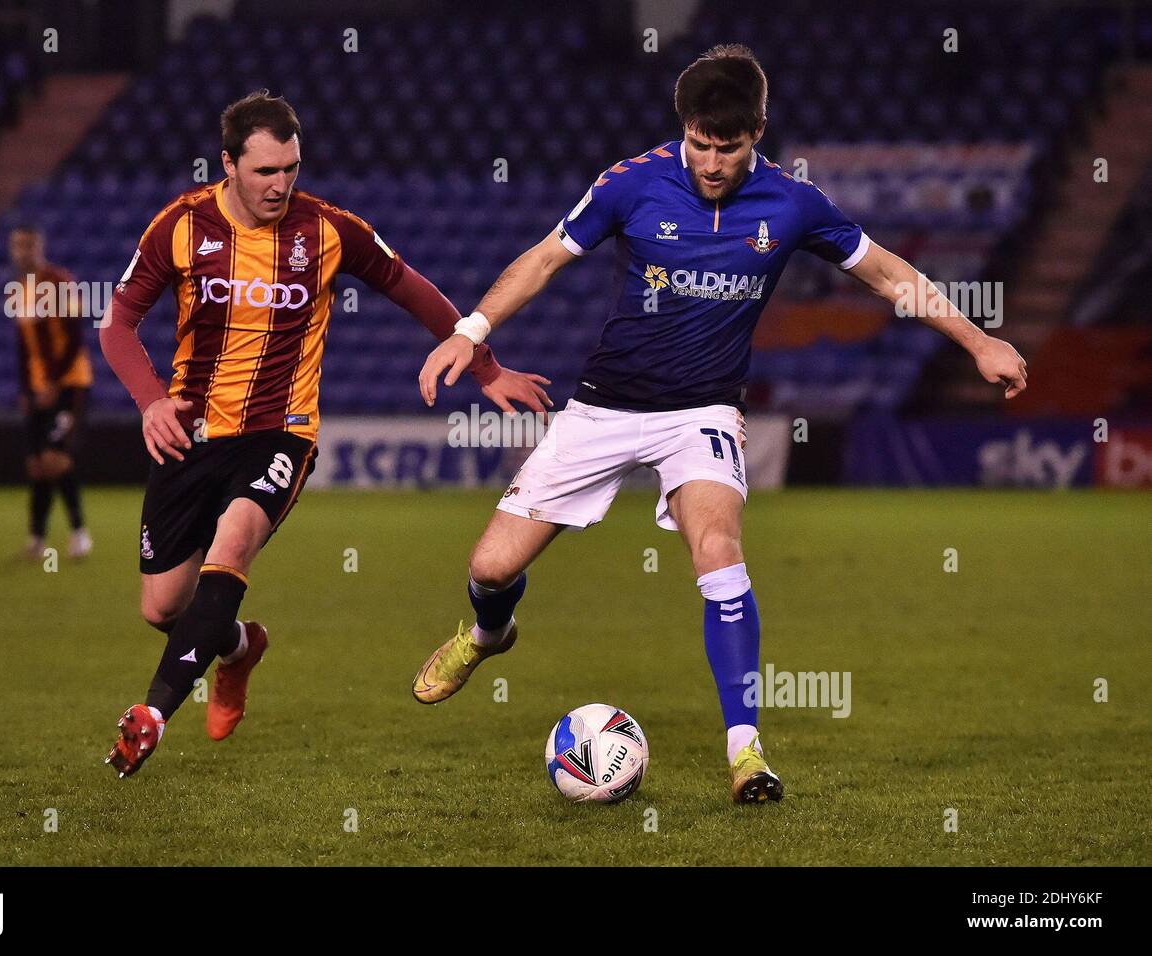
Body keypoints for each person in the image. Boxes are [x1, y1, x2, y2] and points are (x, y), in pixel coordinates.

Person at [411, 45, 1027, 804]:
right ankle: (486, 636)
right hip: (604, 406)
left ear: (758, 133)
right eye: (699, 144)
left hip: (701, 412)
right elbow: (543, 260)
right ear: (684, 130)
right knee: (492, 570)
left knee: (720, 552)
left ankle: (747, 753)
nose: (710, 162)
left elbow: (889, 273)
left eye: (726, 148)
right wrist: (470, 332)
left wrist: (978, 341)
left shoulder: (793, 203)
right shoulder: (632, 183)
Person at [98, 91, 552, 777]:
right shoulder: (181, 227)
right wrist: (151, 401)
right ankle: (239, 648)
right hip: (192, 433)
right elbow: (117, 322)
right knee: (164, 607)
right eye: (264, 171)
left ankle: (153, 711)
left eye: (291, 167)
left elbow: (408, 285)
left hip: (282, 432)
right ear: (228, 165)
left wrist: (482, 364)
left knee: (235, 542)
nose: (281, 184)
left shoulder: (329, 230)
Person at [9, 225, 92, 560]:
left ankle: (79, 534)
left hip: (68, 384)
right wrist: (27, 390)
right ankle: (36, 540)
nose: (22, 252)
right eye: (17, 246)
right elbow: (23, 347)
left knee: (55, 459)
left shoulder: (58, 282)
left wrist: (54, 383)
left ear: (39, 247)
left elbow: (74, 336)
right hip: (38, 388)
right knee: (37, 466)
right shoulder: (19, 290)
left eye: (28, 245)